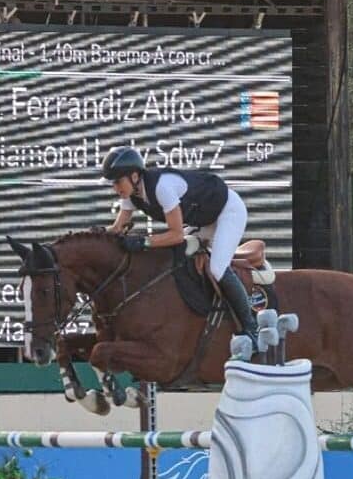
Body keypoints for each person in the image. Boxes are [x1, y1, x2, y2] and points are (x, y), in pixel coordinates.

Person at [101, 146, 259, 350]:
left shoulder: (162, 187)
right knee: (181, 257)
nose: (116, 188)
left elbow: (175, 235)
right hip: (204, 219)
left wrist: (144, 242)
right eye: (113, 183)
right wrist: (97, 235)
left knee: (217, 269)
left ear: (133, 176)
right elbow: (117, 228)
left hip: (228, 211)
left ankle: (252, 328)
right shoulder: (131, 195)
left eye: (118, 181)